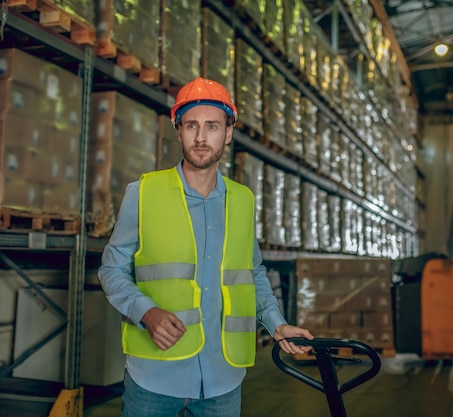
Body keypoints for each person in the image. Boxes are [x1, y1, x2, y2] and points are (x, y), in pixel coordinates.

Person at [97, 77, 314, 417]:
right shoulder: (143, 193)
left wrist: (276, 323)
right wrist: (146, 312)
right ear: (178, 130)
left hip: (222, 377)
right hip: (154, 376)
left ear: (228, 133)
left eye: (212, 126)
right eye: (191, 126)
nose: (201, 137)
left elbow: (251, 272)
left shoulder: (242, 200)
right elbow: (111, 268)